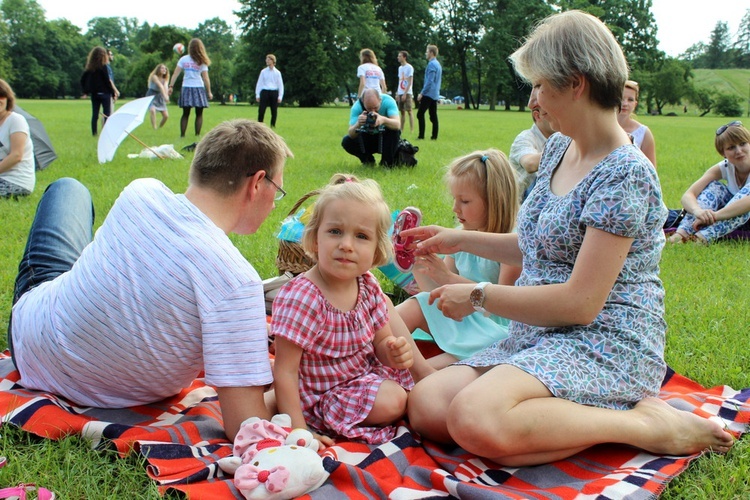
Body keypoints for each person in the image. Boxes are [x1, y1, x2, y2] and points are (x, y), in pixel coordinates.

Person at [401, 10, 734, 467]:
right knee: (428, 407)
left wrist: (478, 295)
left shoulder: (626, 173)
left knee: (476, 418)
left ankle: (647, 425)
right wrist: (458, 240)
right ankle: (550, 419)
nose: (534, 99)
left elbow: (581, 303)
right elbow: (537, 245)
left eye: (539, 84)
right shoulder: (559, 148)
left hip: (603, 342)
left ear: (576, 82)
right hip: (538, 333)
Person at [8, 119, 292, 441]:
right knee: (69, 191)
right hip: (101, 388)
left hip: (31, 339)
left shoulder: (140, 192)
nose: (273, 202)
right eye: (277, 191)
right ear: (257, 183)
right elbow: (245, 423)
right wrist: (291, 383)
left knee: (69, 189)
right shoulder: (236, 283)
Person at [272, 173, 415, 445]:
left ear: (376, 252)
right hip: (323, 395)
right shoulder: (304, 297)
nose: (346, 245)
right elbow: (285, 370)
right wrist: (299, 432)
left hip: (361, 376)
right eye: (335, 231)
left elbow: (381, 341)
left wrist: (393, 350)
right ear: (315, 239)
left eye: (361, 236)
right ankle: (309, 418)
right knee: (396, 400)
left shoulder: (368, 285)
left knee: (409, 395)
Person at [396, 150, 521, 370]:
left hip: (493, 332)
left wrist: (447, 277)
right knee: (413, 306)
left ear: (495, 200)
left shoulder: (511, 246)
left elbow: (503, 306)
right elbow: (434, 294)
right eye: (455, 199)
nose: (455, 208)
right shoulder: (459, 237)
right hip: (462, 319)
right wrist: (419, 263)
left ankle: (414, 376)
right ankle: (357, 351)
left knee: (439, 366)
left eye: (464, 201)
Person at [667, 121, 750, 244]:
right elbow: (688, 195)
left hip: (743, 217)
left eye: (743, 144)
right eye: (731, 147)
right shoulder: (724, 167)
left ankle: (700, 239)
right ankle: (681, 234)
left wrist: (715, 216)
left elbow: (747, 203)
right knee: (715, 187)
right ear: (723, 153)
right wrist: (699, 212)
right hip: (727, 218)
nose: (738, 151)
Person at [509, 95, 555, 202]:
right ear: (538, 116)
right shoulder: (524, 138)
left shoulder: (566, 138)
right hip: (522, 206)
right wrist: (562, 149)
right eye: (553, 111)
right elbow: (530, 164)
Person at [341, 88, 401, 167]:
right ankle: (368, 160)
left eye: (376, 108)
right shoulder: (356, 107)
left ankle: (386, 163)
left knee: (394, 131)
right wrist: (358, 124)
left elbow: (397, 125)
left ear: (380, 100)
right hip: (366, 138)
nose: (373, 112)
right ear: (363, 102)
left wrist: (383, 120)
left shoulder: (389, 101)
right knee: (346, 141)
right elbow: (351, 134)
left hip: (384, 138)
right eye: (369, 109)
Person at [169, 38, 212, 137]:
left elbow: (175, 73)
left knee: (185, 113)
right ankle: (197, 134)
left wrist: (171, 86)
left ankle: (182, 135)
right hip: (198, 87)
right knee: (199, 114)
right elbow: (206, 78)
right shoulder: (202, 61)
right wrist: (209, 91)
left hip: (186, 87)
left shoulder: (183, 59)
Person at [0, 79, 35, 198]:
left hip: (17, 181)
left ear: (8, 98)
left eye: (2, 96)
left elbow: (16, 155)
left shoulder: (15, 120)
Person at [81, 46, 119, 136]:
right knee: (107, 114)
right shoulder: (104, 67)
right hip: (105, 93)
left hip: (95, 94)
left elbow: (83, 80)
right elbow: (107, 81)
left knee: (95, 115)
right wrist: (113, 93)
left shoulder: (90, 68)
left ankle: (94, 133)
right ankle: (106, 133)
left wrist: (85, 91)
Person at [618, 80, 656, 167]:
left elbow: (651, 171)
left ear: (635, 104)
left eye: (630, 100)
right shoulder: (600, 129)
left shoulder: (644, 133)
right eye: (621, 98)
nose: (625, 103)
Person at [416, 44, 442, 141]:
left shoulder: (431, 64)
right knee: (433, 115)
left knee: (420, 114)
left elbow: (429, 81)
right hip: (435, 94)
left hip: (429, 94)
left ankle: (421, 136)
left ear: (431, 53)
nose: (426, 54)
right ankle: (434, 136)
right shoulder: (438, 64)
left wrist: (422, 93)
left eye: (427, 52)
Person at [255, 54, 284, 128]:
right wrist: (257, 94)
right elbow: (259, 83)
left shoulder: (277, 73)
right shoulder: (263, 72)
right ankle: (260, 125)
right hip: (265, 91)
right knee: (261, 109)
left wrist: (280, 96)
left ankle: (273, 125)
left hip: (274, 92)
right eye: (266, 59)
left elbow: (280, 85)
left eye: (268, 59)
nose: (266, 61)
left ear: (272, 61)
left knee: (274, 110)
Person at [145, 64, 170, 129]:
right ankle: (154, 128)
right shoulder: (154, 77)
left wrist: (166, 96)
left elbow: (165, 87)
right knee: (152, 110)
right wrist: (165, 96)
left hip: (160, 96)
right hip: (152, 95)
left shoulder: (165, 79)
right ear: (158, 69)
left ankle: (159, 128)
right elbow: (160, 86)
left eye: (165, 69)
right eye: (162, 68)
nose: (164, 70)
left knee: (166, 116)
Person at [396, 51, 414, 133]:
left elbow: (410, 82)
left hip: (407, 92)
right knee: (402, 111)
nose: (398, 57)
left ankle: (411, 130)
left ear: (404, 57)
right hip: (400, 91)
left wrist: (405, 93)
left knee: (409, 111)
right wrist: (397, 92)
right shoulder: (400, 68)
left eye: (400, 56)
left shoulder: (409, 67)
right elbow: (399, 81)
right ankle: (401, 129)